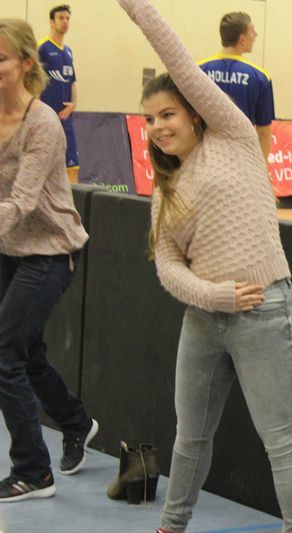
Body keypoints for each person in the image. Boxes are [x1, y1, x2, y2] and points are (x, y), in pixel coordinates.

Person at [116, 2, 292, 532]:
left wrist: (136, 8)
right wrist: (214, 296)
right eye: (149, 120)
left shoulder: (234, 136)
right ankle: (171, 525)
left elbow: (179, 62)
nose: (158, 127)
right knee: (190, 437)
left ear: (195, 112)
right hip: (205, 319)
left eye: (168, 114)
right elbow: (167, 264)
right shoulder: (166, 188)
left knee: (281, 441)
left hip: (264, 310)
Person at [0, 17, 97, 502]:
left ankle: (33, 471)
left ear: (25, 63)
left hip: (51, 249)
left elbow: (20, 202)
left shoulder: (42, 124)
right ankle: (77, 422)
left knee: (4, 353)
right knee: (26, 351)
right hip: (9, 247)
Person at [198, 12, 275, 165]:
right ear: (242, 39)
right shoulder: (260, 77)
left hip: (205, 158)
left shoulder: (199, 70)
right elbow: (264, 132)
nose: (256, 35)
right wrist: (262, 168)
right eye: (252, 31)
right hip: (241, 160)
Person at [37, 4, 78, 183]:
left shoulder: (68, 51)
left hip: (66, 119)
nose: (65, 22)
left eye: (67, 18)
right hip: (47, 119)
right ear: (51, 22)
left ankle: (72, 201)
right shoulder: (42, 48)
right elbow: (33, 82)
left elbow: (72, 81)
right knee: (43, 167)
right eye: (61, 18)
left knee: (72, 167)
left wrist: (73, 104)